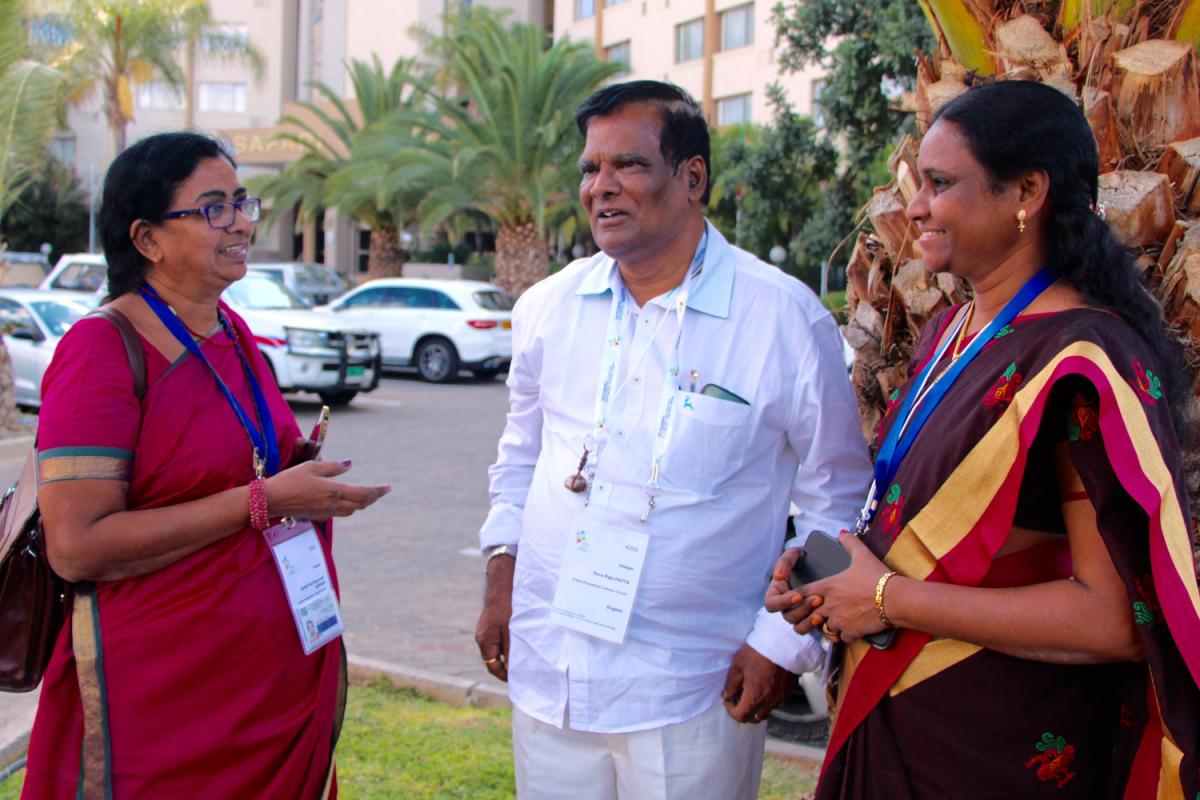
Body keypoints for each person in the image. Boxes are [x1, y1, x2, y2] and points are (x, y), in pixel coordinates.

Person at [767, 80, 1200, 798]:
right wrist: (833, 579)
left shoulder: (1082, 360)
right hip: (896, 717)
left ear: (1027, 190)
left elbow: (1115, 616)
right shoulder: (951, 332)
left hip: (997, 752)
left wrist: (883, 596)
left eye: (939, 183)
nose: (914, 208)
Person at [475, 80, 872, 799]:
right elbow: (521, 454)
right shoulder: (548, 307)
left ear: (692, 178)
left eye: (627, 165)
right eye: (590, 169)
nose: (602, 188)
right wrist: (501, 569)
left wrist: (781, 640)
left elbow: (838, 499)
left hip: (695, 688)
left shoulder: (782, 318)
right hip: (552, 668)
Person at [22, 132, 390, 799]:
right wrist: (262, 500)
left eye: (242, 200)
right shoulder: (100, 350)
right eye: (214, 207)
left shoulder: (233, 332)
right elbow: (76, 548)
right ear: (148, 238)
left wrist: (293, 480)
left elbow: (235, 465)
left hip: (264, 697)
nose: (245, 222)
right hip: (161, 710)